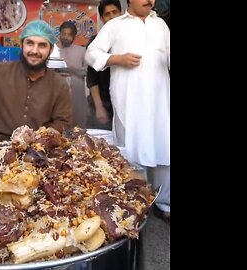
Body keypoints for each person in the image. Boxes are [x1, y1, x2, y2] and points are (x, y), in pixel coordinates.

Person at [84, 0, 170, 221]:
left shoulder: (160, 24)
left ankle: (164, 202)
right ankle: (133, 203)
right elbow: (92, 54)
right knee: (131, 148)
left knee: (164, 147)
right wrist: (116, 58)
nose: (150, 1)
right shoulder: (115, 26)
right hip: (129, 100)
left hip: (160, 99)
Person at [85, 0, 122, 130]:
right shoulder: (96, 43)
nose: (112, 17)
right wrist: (99, 107)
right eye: (107, 14)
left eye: (115, 12)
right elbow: (92, 79)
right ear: (102, 18)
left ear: (121, 13)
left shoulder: (128, 39)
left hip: (123, 103)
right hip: (102, 102)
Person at [57, 21, 88, 128]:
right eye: (63, 34)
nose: (66, 37)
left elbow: (86, 71)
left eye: (69, 34)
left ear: (74, 36)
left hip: (77, 95)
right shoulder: (54, 51)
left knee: (78, 126)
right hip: (58, 95)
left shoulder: (82, 51)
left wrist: (72, 69)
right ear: (59, 34)